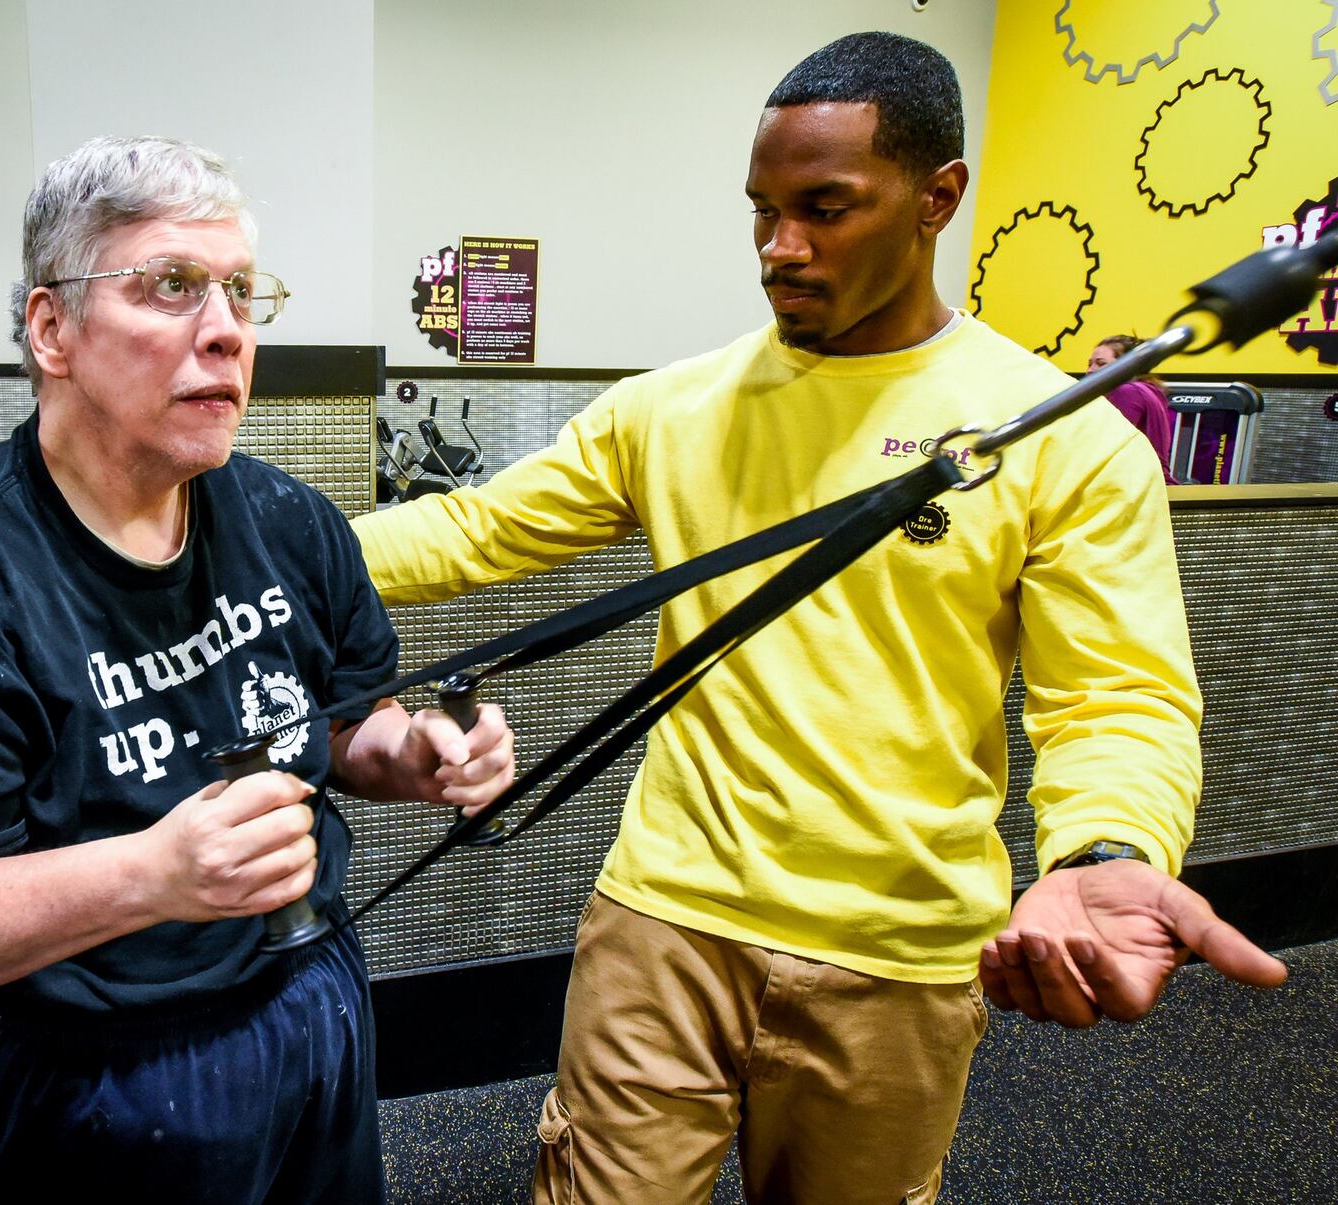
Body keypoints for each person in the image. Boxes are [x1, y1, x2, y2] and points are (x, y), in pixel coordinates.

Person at [352, 32, 1286, 1205]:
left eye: (825, 209)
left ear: (936, 197)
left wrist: (1103, 851)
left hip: (893, 953)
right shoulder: (675, 407)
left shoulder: (1059, 437)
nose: (779, 249)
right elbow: (472, 532)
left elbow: (1116, 698)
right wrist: (250, 548)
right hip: (663, 919)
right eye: (763, 211)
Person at [0, 136, 514, 1204]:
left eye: (238, 292)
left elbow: (349, 719)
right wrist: (147, 876)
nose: (224, 331)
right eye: (170, 287)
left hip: (300, 1003)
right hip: (68, 1063)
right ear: (53, 329)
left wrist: (410, 753)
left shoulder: (288, 519)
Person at [1089, 333, 1179, 482]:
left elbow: (1106, 449)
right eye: (1090, 363)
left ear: (1127, 366)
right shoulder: (1149, 390)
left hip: (1138, 489)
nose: (1090, 370)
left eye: (1101, 363)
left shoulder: (1127, 392)